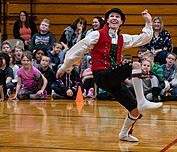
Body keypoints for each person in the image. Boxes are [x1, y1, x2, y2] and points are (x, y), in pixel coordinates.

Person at [56, 8, 162, 142]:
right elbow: (80, 48)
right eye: (111, 16)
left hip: (113, 77)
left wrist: (148, 22)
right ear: (107, 20)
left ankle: (124, 134)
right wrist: (65, 65)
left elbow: (143, 39)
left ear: (121, 22)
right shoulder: (96, 35)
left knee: (135, 111)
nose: (114, 18)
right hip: (101, 74)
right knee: (135, 65)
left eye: (118, 17)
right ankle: (142, 100)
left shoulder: (122, 38)